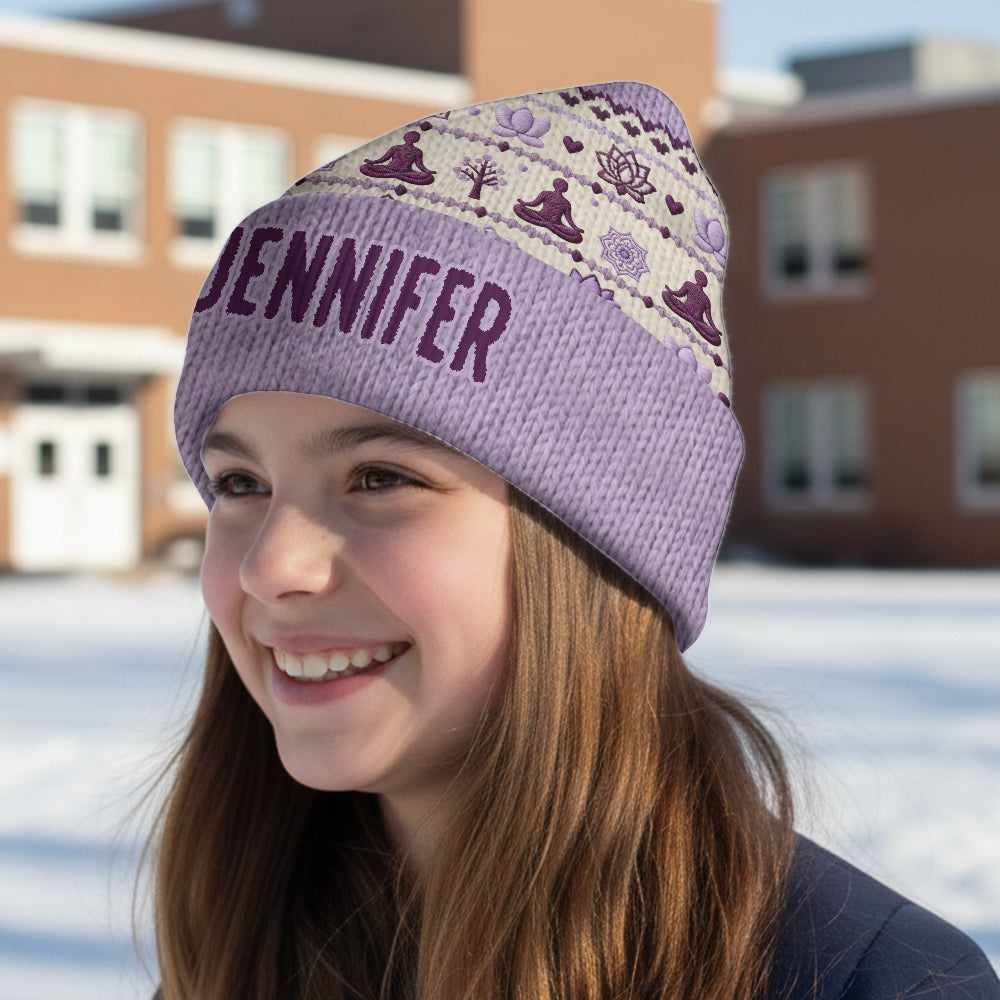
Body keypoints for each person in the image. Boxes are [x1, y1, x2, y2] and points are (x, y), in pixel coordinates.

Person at [157, 82, 999, 1000]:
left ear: (596, 545)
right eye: (240, 484)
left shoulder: (877, 984)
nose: (271, 566)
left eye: (381, 478)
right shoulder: (240, 952)